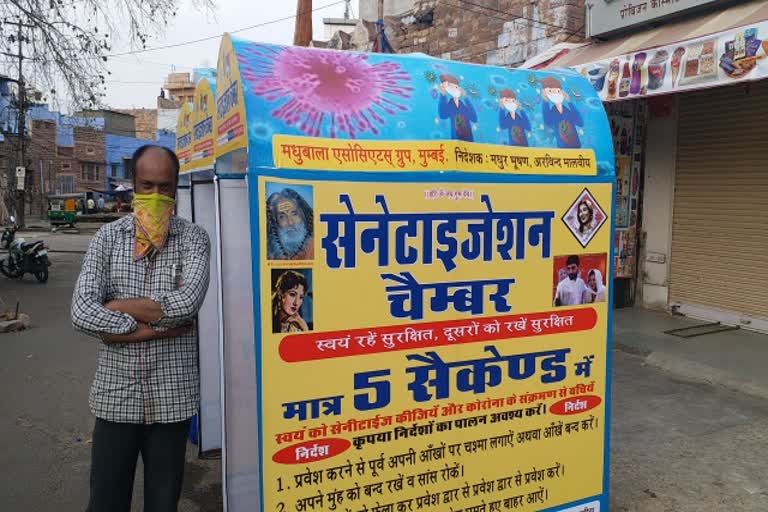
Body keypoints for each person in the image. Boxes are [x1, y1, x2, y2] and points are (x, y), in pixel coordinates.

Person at [71, 145, 211, 512]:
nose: (155, 197)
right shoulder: (107, 239)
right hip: (115, 397)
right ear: (133, 185)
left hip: (172, 401)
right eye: (146, 186)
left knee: (163, 504)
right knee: (105, 502)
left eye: (164, 188)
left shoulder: (194, 239)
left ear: (176, 187)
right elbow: (82, 311)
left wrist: (113, 314)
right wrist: (156, 328)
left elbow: (188, 304)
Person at [266, 188, 314, 260]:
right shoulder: (270, 251)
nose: (290, 222)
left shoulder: (315, 245)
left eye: (294, 214)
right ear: (275, 223)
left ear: (303, 215)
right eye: (282, 217)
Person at [541, 76, 583, 149]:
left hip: (576, 147)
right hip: (563, 149)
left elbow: (580, 122)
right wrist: (545, 101)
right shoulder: (553, 112)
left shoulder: (567, 110)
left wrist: (569, 102)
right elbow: (547, 121)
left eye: (558, 91)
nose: (555, 94)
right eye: (550, 92)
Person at [437, 73, 477, 142]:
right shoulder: (450, 105)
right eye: (450, 88)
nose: (454, 90)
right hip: (456, 142)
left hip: (469, 141)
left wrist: (466, 98)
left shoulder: (463, 106)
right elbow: (443, 115)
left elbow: (474, 118)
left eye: (456, 87)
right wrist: (443, 96)